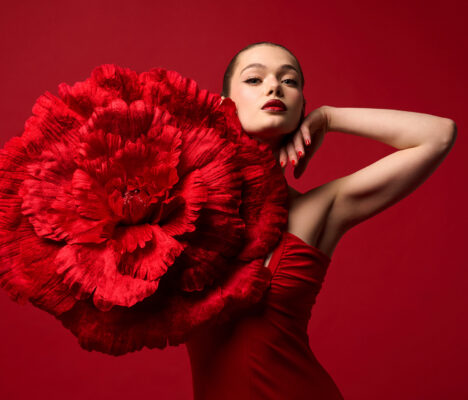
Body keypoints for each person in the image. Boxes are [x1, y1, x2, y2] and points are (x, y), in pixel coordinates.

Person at [185, 41, 457, 400]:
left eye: (289, 81)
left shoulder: (317, 210)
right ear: (224, 104)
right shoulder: (180, 209)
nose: (274, 87)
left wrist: (329, 118)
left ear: (301, 107)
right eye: (254, 79)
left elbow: (439, 135)